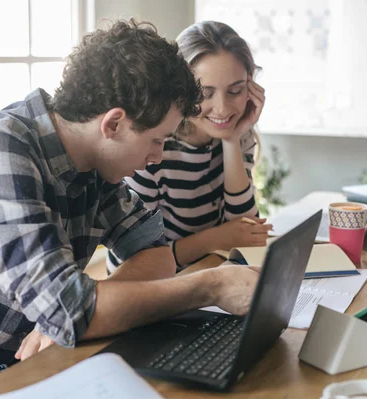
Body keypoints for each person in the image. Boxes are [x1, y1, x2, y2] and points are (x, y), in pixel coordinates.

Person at [0, 20, 261, 399]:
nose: (156, 158)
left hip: (23, 367)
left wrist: (88, 306)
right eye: (156, 140)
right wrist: (210, 285)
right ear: (113, 124)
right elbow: (70, 311)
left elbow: (155, 252)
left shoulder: (93, 165)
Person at [107, 21, 271, 273]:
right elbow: (133, 260)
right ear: (181, 89)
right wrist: (217, 239)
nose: (223, 108)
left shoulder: (239, 131)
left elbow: (244, 233)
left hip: (206, 271)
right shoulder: (152, 145)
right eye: (206, 94)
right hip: (153, 286)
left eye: (235, 91)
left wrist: (231, 140)